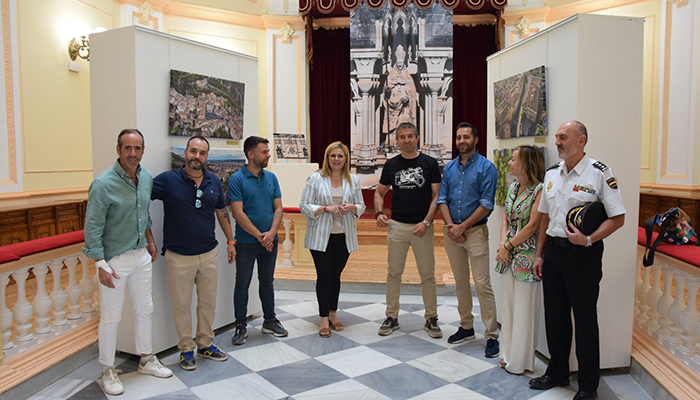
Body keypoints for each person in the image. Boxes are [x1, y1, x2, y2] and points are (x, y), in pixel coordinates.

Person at [529, 121, 625, 400]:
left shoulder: (600, 173)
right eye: (557, 137)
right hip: (554, 252)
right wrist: (539, 254)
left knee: (585, 319)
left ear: (581, 140)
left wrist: (589, 239)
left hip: (583, 255)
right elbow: (545, 217)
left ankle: (588, 386)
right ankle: (557, 372)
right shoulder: (551, 174)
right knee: (555, 316)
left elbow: (618, 217)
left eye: (564, 137)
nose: (557, 142)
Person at [82, 129, 172, 396]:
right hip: (114, 260)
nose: (133, 153)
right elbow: (92, 226)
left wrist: (150, 240)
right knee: (111, 316)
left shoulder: (146, 178)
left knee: (145, 308)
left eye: (137, 148)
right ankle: (107, 370)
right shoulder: (103, 184)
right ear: (118, 149)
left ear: (143, 149)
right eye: (127, 148)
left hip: (141, 254)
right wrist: (100, 263)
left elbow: (143, 214)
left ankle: (146, 359)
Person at [151, 135, 235, 371]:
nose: (197, 156)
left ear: (206, 157)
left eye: (202, 153)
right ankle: (186, 348)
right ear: (185, 153)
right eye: (193, 151)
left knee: (208, 303)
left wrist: (231, 241)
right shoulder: (168, 180)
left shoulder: (213, 181)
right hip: (178, 256)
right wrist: (146, 235)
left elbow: (222, 212)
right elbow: (139, 199)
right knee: (181, 305)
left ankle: (205, 343)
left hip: (209, 253)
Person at [374, 122, 443, 339]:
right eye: (402, 137)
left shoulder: (430, 163)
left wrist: (427, 222)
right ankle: (391, 316)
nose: (406, 140)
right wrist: (378, 213)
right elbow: (379, 192)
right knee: (394, 273)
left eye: (410, 136)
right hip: (397, 226)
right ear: (396, 140)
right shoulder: (391, 164)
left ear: (417, 138)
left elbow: (437, 196)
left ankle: (431, 318)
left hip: (422, 227)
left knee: (428, 275)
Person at [437, 122, 500, 358]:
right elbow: (442, 199)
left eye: (466, 137)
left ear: (475, 140)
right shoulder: (450, 167)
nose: (462, 141)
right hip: (452, 232)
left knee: (482, 284)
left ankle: (491, 334)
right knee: (460, 282)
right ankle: (466, 326)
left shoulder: (487, 167)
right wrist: (452, 227)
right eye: (458, 137)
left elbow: (487, 203)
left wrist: (462, 227)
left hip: (475, 233)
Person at [300, 142, 366, 337]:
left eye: (340, 156)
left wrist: (351, 207)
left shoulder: (353, 180)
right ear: (327, 158)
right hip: (320, 237)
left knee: (335, 276)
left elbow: (361, 206)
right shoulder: (315, 178)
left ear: (346, 159)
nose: (336, 159)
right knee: (324, 275)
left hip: (343, 236)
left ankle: (333, 314)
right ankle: (323, 318)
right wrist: (325, 208)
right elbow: (304, 205)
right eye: (333, 156)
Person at [228, 136, 287, 345]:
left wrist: (270, 233)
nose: (268, 155)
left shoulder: (271, 177)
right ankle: (240, 325)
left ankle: (270, 320)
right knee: (242, 283)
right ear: (251, 154)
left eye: (268, 151)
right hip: (246, 242)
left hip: (270, 240)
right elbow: (238, 213)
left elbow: (278, 208)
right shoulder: (237, 179)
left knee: (267, 281)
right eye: (264, 152)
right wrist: (260, 236)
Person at [494, 145, 545, 374]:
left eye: (514, 159)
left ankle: (520, 361)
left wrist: (508, 245)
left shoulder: (539, 190)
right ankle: (506, 355)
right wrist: (503, 245)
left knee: (524, 309)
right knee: (509, 306)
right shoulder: (513, 187)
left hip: (526, 255)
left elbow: (533, 225)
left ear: (526, 163)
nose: (510, 163)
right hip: (507, 253)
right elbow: (506, 218)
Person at [385, 44, 417, 138]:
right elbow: (386, 91)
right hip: (393, 105)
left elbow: (412, 92)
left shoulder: (408, 77)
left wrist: (407, 98)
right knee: (392, 123)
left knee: (404, 121)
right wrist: (387, 90)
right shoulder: (391, 76)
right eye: (398, 64)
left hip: (404, 106)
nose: (399, 66)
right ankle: (392, 140)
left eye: (401, 64)